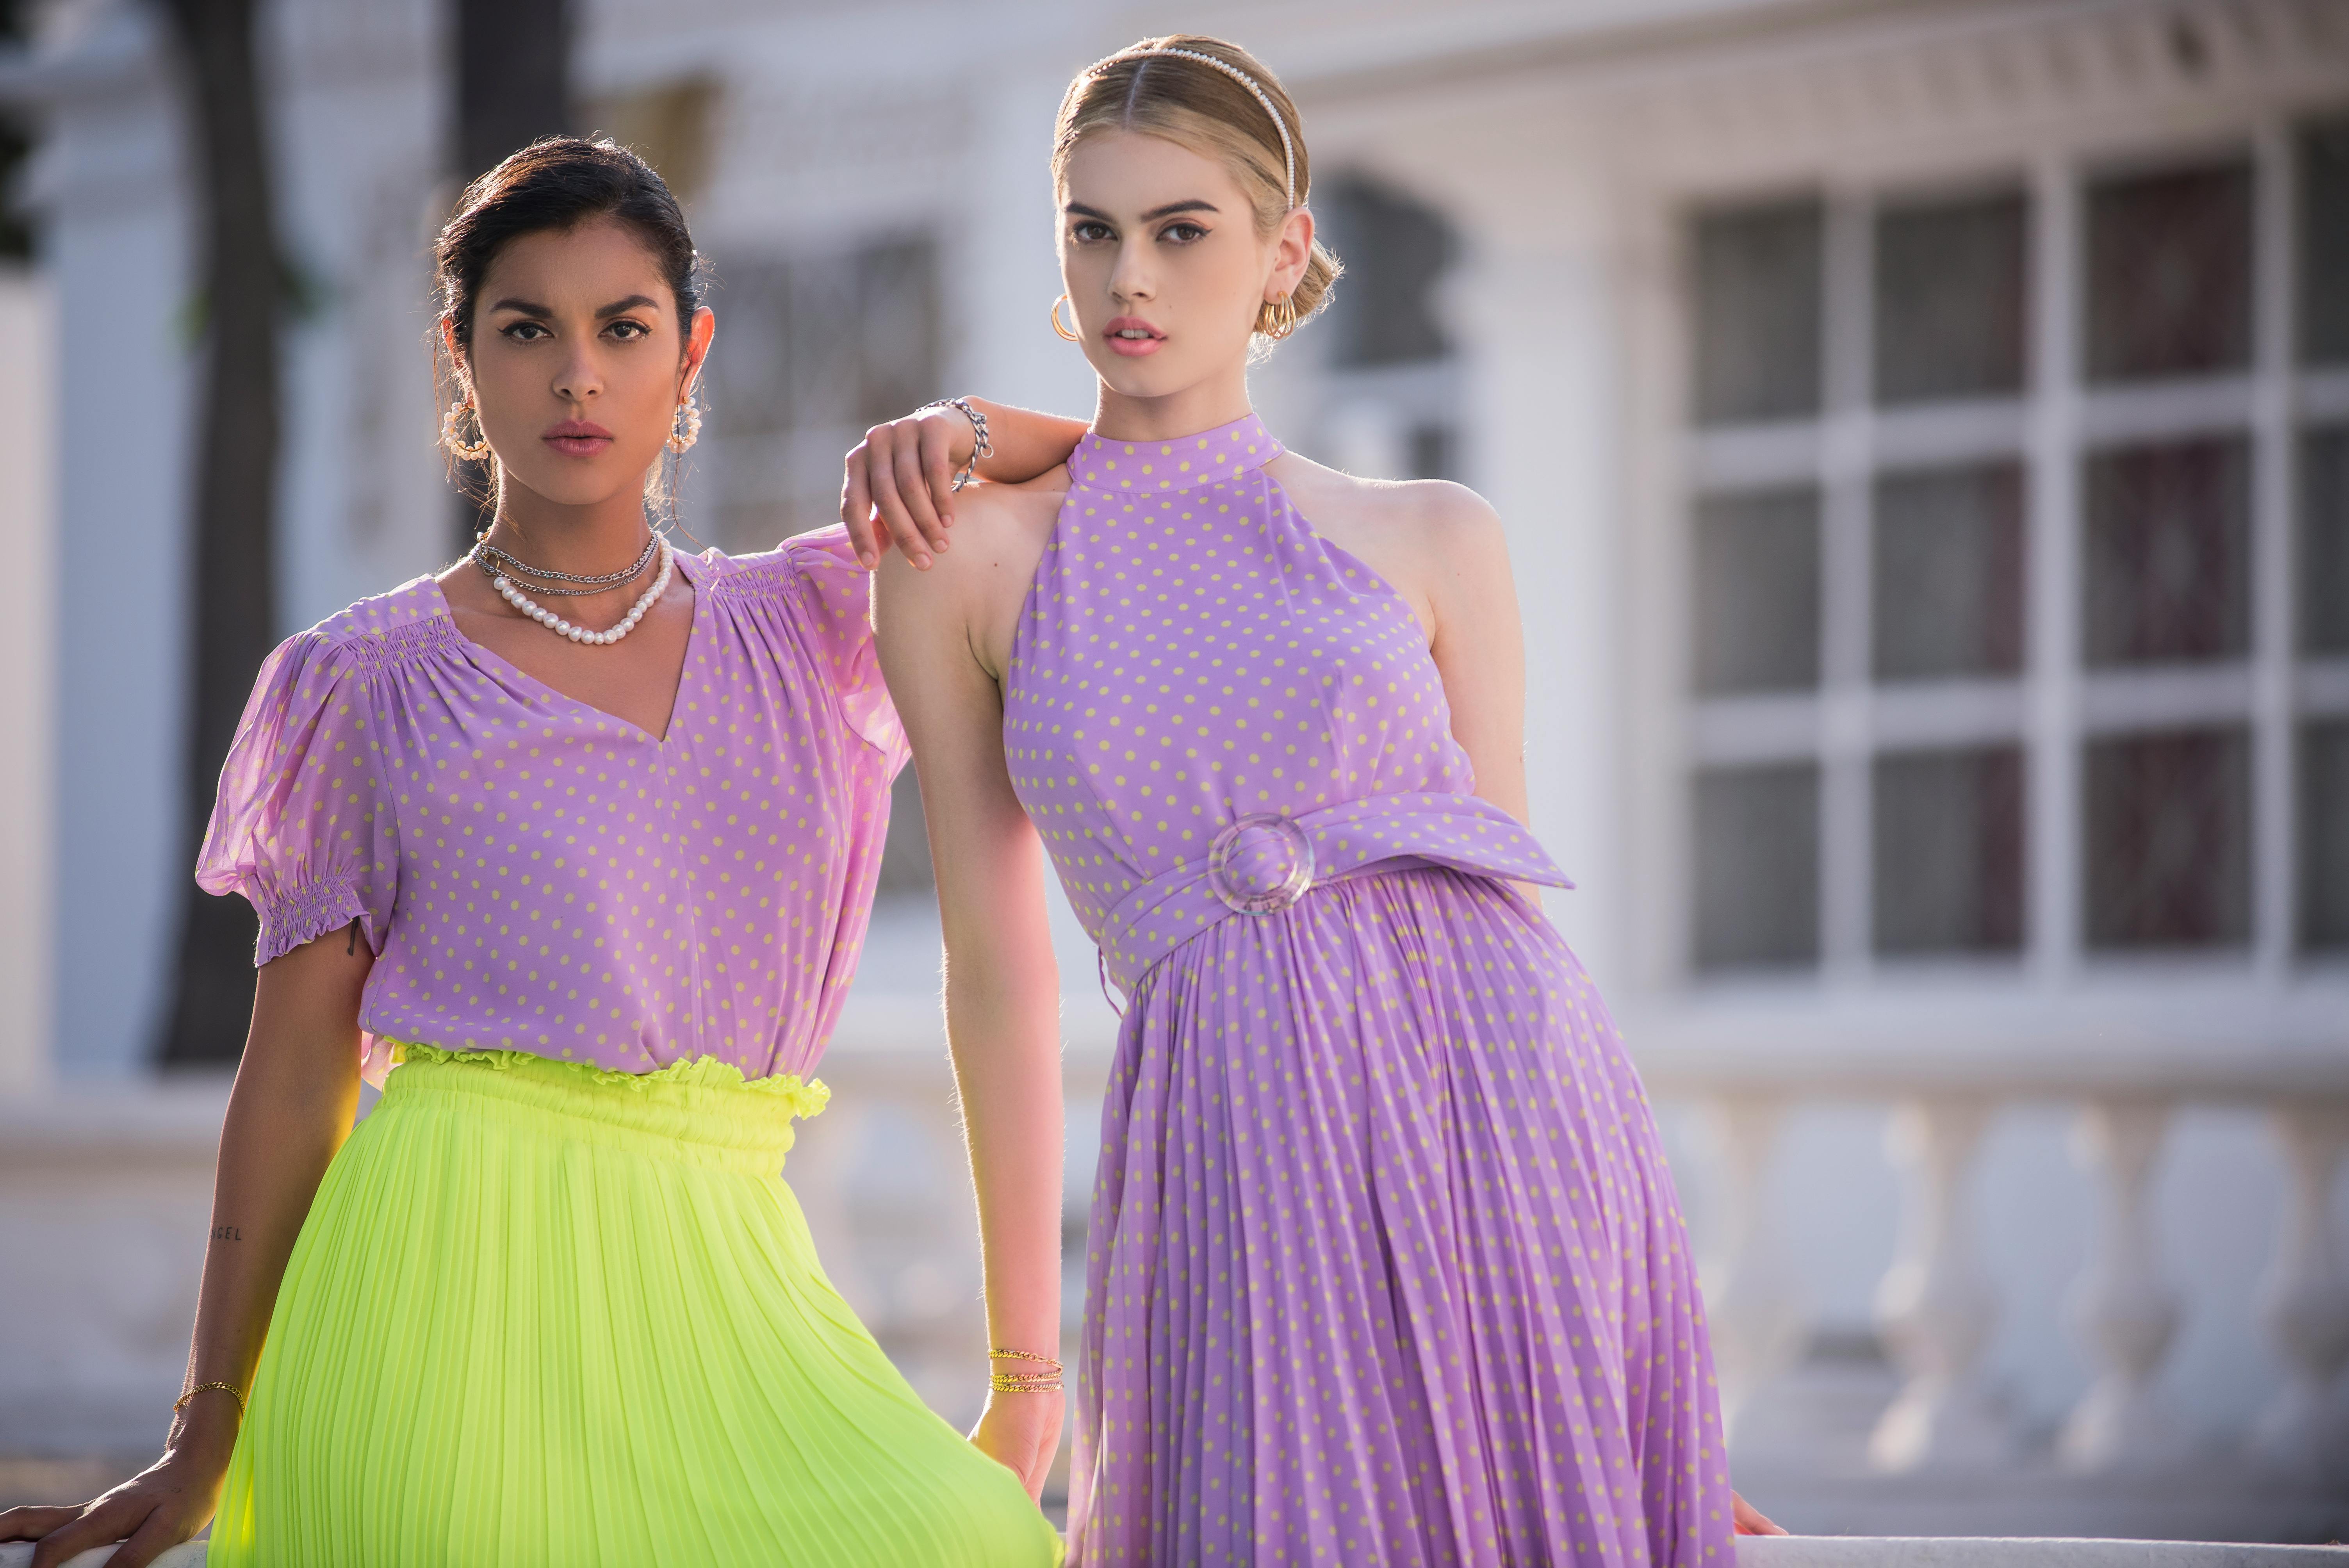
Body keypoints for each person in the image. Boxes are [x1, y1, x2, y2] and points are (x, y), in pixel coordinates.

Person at [1, 137, 1062, 1568]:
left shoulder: (816, 623)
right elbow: (295, 1073)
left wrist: (964, 427)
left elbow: (1155, 484)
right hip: (439, 1299)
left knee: (966, 1540)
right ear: (460, 357)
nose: (579, 376)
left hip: (732, 1289)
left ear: (689, 356)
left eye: (623, 329)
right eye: (527, 330)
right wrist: (207, 1433)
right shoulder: (363, 680)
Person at [846, 35, 1784, 1566]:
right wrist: (1027, 1380)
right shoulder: (967, 559)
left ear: (1281, 251)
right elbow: (994, 973)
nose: (1127, 276)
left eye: (1180, 229)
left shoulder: (1431, 535)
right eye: (1092, 229)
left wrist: (1632, 1372)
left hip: (1503, 1106)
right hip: (1232, 1131)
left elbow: (1520, 926)